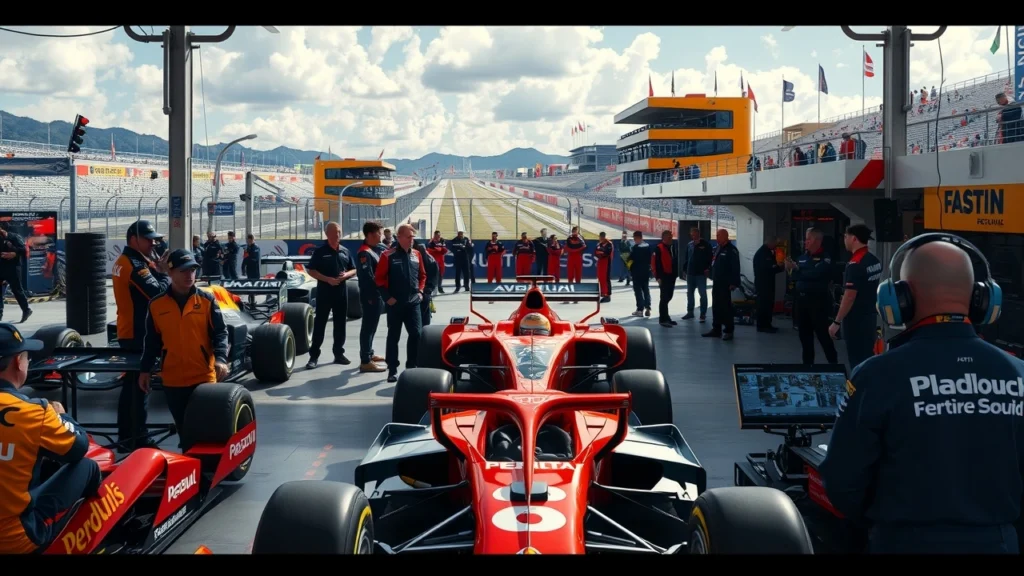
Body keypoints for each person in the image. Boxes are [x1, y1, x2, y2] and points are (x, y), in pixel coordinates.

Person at [820, 233, 1024, 554]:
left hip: (902, 541)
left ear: (900, 299)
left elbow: (843, 482)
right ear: (981, 299)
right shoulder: (1019, 375)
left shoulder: (876, 376)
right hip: (997, 542)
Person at [0, 323, 100, 554]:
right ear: (18, 362)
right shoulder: (35, 412)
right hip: (15, 541)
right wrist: (63, 416)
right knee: (87, 466)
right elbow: (79, 447)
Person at [139, 250, 229, 436]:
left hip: (203, 377)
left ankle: (206, 464)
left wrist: (221, 359)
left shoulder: (207, 300)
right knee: (184, 429)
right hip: (173, 380)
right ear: (170, 273)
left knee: (207, 429)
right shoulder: (156, 305)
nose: (190, 275)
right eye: (184, 271)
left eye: (193, 270)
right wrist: (145, 369)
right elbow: (152, 341)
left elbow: (220, 332)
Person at [112, 220, 171, 451]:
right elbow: (158, 293)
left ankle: (127, 437)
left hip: (129, 330)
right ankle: (138, 438)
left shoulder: (127, 261)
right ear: (133, 239)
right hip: (139, 335)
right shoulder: (135, 265)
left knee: (131, 388)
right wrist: (164, 274)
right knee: (140, 387)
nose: (153, 243)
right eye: (148, 239)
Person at [375, 223, 426, 383]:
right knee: (393, 336)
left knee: (416, 334)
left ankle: (412, 367)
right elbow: (379, 279)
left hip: (413, 303)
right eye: (410, 237)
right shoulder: (387, 255)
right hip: (395, 304)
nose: (412, 240)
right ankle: (392, 369)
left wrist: (420, 292)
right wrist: (387, 298)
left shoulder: (417, 254)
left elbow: (423, 276)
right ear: (400, 237)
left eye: (413, 237)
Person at [829, 224, 882, 370]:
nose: (844, 240)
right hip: (870, 316)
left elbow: (850, 296)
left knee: (857, 360)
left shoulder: (855, 264)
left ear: (853, 238)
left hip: (856, 320)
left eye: (845, 236)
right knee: (868, 357)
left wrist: (836, 322)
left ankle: (859, 390)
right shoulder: (874, 260)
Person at [304, 222, 356, 369]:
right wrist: (328, 279)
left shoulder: (345, 251)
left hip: (341, 292)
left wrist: (346, 274)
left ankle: (338, 353)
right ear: (327, 234)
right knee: (320, 324)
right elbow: (311, 270)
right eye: (335, 232)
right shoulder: (320, 252)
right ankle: (314, 356)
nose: (337, 235)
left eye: (339, 232)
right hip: (324, 292)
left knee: (340, 324)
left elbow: (354, 269)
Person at [785, 227, 839, 364]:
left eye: (808, 239)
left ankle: (834, 366)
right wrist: (793, 270)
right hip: (801, 302)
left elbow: (816, 275)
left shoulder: (825, 258)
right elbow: (795, 277)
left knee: (823, 337)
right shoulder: (802, 258)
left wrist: (798, 271)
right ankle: (807, 367)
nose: (805, 242)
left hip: (818, 302)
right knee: (804, 337)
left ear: (817, 240)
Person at [355, 222, 387, 373]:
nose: (381, 236)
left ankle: (369, 352)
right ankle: (365, 360)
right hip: (371, 296)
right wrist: (371, 295)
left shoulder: (376, 249)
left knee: (372, 326)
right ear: (369, 235)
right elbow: (367, 278)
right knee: (368, 327)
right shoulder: (364, 253)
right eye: (378, 234)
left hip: (377, 294)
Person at [703, 229, 740, 341]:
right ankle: (716, 329)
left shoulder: (731, 250)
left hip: (726, 284)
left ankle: (728, 331)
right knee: (716, 306)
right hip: (717, 282)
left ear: (725, 236)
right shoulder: (718, 248)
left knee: (726, 308)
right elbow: (714, 262)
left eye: (718, 235)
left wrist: (734, 283)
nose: (717, 237)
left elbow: (735, 267)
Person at [0, 223, 31, 323]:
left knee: (17, 290)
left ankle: (26, 310)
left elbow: (24, 250)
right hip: (1, 266)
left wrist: (14, 253)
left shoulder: (14, 235)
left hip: (13, 267)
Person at [752, 236, 784, 333]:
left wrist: (779, 267)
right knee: (763, 304)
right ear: (770, 242)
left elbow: (773, 266)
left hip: (768, 283)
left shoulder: (769, 252)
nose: (776, 246)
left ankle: (767, 324)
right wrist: (778, 267)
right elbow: (767, 268)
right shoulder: (762, 253)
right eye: (775, 244)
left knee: (769, 304)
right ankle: (762, 325)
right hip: (763, 284)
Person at [680, 227, 711, 323]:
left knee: (702, 294)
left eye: (695, 234)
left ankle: (703, 314)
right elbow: (686, 258)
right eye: (692, 235)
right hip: (690, 273)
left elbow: (710, 257)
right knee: (690, 293)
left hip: (701, 274)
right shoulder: (689, 245)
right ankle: (690, 312)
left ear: (699, 234)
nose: (694, 236)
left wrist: (708, 268)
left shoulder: (705, 244)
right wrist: (684, 270)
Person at [651, 230, 677, 327]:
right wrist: (658, 277)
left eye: (671, 237)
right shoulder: (658, 248)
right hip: (663, 277)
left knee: (669, 296)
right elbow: (654, 263)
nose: (671, 239)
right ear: (664, 238)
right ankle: (663, 319)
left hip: (671, 276)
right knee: (664, 298)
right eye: (669, 237)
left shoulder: (672, 247)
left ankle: (666, 317)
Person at [414, 242, 439, 327]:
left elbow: (434, 275)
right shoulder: (415, 258)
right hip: (420, 289)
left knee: (424, 311)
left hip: (425, 289)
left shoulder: (430, 260)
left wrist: (429, 288)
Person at [629, 231, 652, 317]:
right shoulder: (648, 246)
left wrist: (629, 267)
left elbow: (631, 260)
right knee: (646, 290)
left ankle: (640, 309)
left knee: (638, 291)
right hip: (646, 272)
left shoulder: (635, 248)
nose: (634, 240)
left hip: (637, 272)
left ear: (638, 238)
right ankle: (648, 307)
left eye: (635, 238)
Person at [594, 232, 613, 303]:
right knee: (601, 278)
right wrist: (601, 253)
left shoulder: (609, 244)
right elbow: (596, 252)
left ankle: (607, 295)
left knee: (606, 279)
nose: (601, 238)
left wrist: (601, 252)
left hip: (607, 263)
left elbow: (606, 253)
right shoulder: (599, 244)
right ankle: (603, 293)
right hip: (600, 263)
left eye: (602, 237)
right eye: (600, 237)